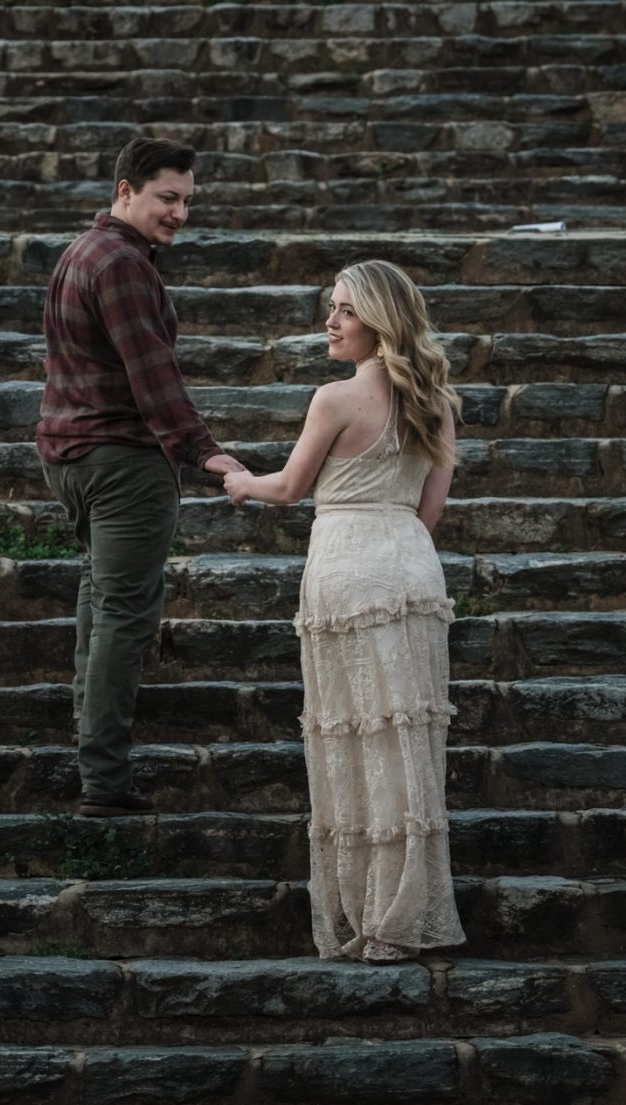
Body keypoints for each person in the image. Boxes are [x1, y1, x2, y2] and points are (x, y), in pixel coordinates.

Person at [222, 260, 467, 962]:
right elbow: (432, 510)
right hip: (410, 562)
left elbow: (291, 487)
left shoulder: (332, 400)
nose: (330, 321)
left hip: (347, 561)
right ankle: (406, 906)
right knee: (406, 738)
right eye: (331, 307)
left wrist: (241, 482)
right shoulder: (438, 401)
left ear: (379, 322)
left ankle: (369, 909)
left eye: (345, 311)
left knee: (356, 734)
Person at [37, 137, 247, 818]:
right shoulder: (123, 264)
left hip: (71, 456)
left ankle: (92, 754)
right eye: (168, 197)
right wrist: (208, 453)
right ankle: (104, 782)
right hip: (121, 462)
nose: (180, 212)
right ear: (125, 189)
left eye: (188, 200)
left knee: (100, 605)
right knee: (123, 616)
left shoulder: (81, 252)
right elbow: (153, 377)